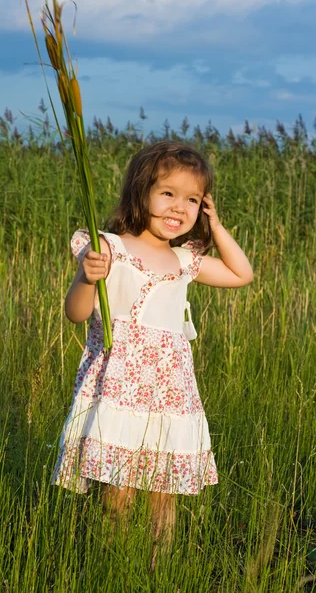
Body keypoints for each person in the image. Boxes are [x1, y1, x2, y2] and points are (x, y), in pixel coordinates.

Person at [52, 141, 253, 566]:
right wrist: (87, 279)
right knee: (119, 490)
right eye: (168, 193)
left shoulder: (185, 260)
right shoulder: (109, 247)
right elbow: (77, 314)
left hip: (171, 397)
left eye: (193, 199)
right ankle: (117, 565)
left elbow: (241, 274)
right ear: (140, 192)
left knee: (164, 493)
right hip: (122, 391)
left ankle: (157, 568)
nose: (179, 207)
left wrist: (215, 227)